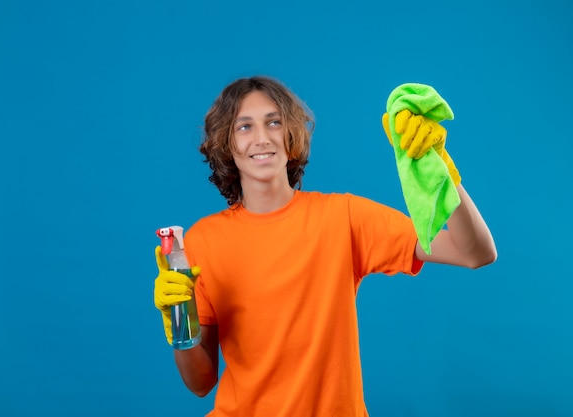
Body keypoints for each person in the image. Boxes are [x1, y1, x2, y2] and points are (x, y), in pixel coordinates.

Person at [154, 76, 497, 416]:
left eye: (273, 122)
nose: (262, 138)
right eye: (244, 127)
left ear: (290, 137)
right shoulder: (202, 241)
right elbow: (200, 383)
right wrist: (179, 321)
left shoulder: (343, 217)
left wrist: (441, 170)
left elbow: (474, 252)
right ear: (227, 145)